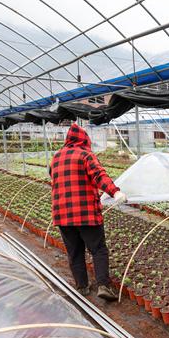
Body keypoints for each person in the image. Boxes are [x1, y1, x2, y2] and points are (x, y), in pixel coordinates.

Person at [50, 123, 127, 301]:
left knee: (74, 252)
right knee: (98, 249)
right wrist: (115, 192)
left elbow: (54, 179)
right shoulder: (85, 155)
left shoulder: (55, 157)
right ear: (84, 140)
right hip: (85, 213)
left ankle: (82, 286)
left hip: (62, 214)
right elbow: (99, 175)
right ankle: (103, 286)